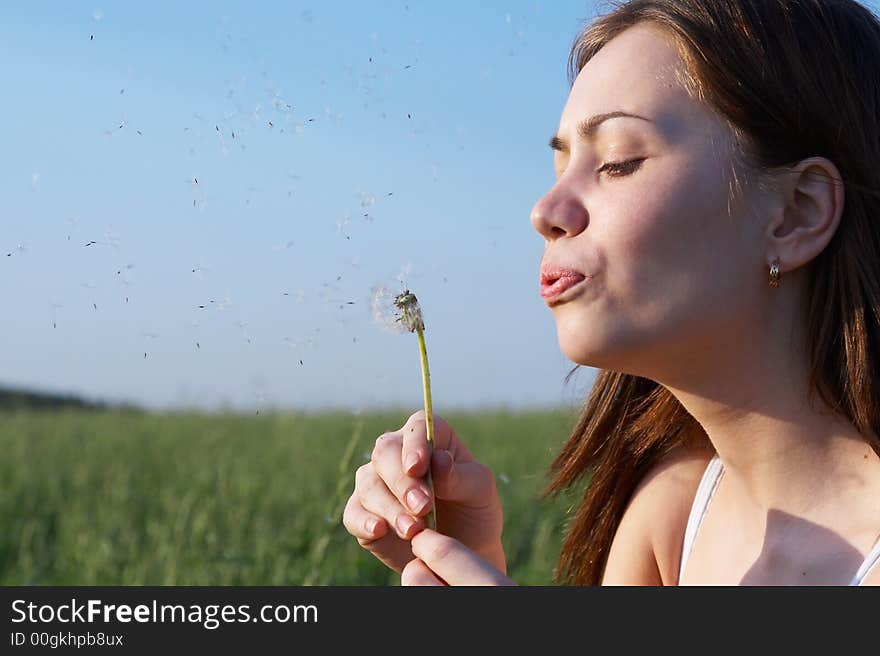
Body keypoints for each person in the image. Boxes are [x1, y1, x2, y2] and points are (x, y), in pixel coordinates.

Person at [343, 0, 880, 585]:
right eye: (558, 170)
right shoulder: (671, 523)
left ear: (796, 213)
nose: (545, 212)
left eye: (619, 162)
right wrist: (464, 561)